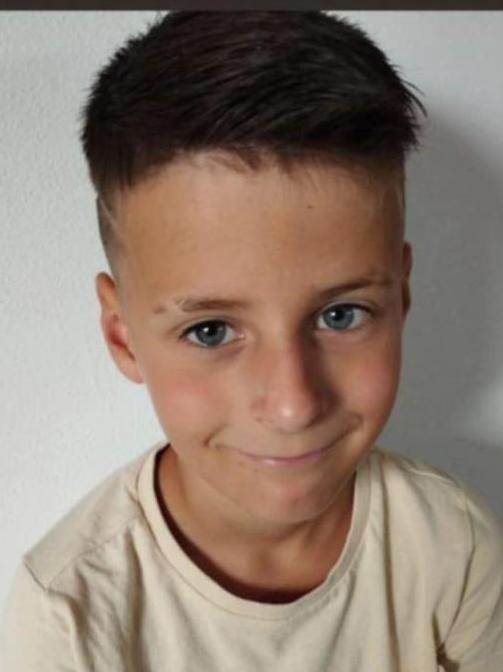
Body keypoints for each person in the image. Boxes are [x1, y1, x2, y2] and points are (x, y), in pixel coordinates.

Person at [2, 10, 503, 671]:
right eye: (210, 330)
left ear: (401, 298)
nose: (293, 405)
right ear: (122, 337)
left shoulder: (453, 545)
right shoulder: (68, 616)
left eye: (341, 315)